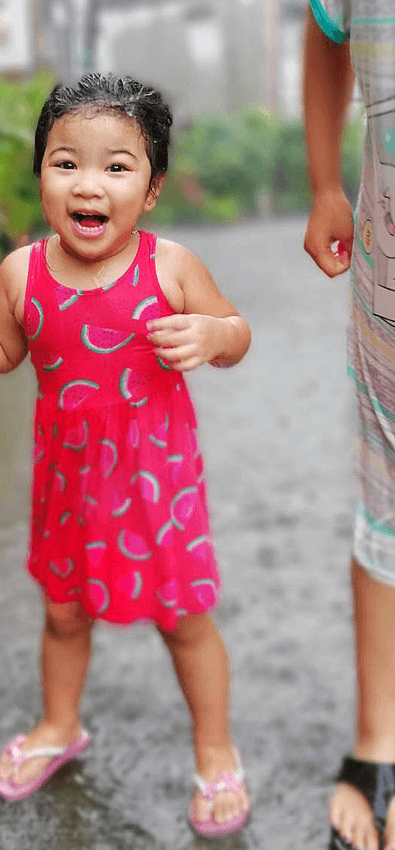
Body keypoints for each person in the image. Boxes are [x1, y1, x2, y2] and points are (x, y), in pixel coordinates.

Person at [0, 73, 251, 838]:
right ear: (39, 174)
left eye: (116, 165)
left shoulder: (168, 268)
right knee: (64, 614)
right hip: (68, 483)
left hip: (156, 482)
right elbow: (4, 347)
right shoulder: (20, 274)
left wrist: (212, 336)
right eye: (65, 162)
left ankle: (214, 748)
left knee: (183, 620)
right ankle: (58, 724)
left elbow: (234, 330)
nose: (87, 184)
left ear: (152, 188)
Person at [303, 4, 395, 850]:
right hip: (388, 286)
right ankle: (379, 739)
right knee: (384, 499)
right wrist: (326, 184)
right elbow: (325, 29)